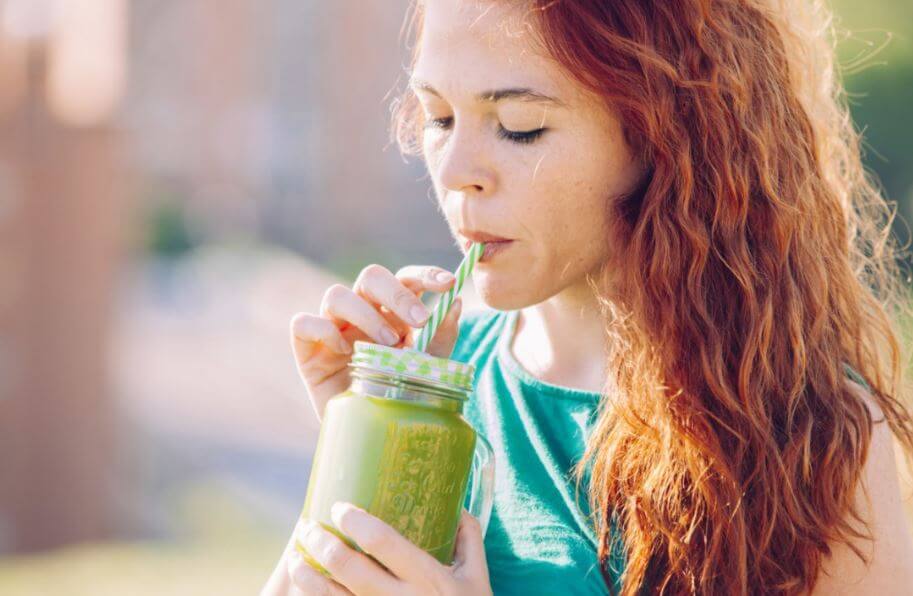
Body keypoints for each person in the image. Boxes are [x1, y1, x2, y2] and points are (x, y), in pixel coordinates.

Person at [262, 0, 913, 594]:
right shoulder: (443, 388)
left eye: (518, 126)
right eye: (437, 117)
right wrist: (364, 446)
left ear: (664, 132)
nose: (456, 173)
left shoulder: (813, 433)